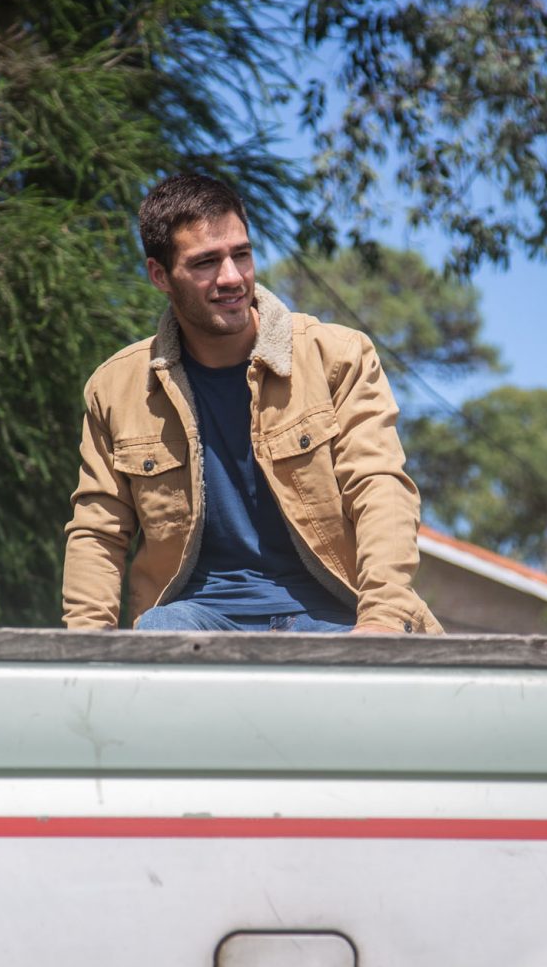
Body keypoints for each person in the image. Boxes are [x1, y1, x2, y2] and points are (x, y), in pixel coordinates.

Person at [62, 172, 441, 635]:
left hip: (335, 618)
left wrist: (381, 620)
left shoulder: (337, 357)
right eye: (206, 262)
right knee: (161, 630)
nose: (231, 277)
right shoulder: (116, 388)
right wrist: (87, 648)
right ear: (160, 275)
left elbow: (380, 488)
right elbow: (97, 530)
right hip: (197, 620)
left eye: (241, 254)